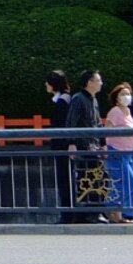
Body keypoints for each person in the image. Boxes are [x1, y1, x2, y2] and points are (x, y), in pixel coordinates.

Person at [66, 68, 108, 223]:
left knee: (98, 178)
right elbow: (71, 122)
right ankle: (88, 213)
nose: (101, 83)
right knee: (86, 179)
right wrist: (72, 143)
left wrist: (103, 143)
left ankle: (96, 211)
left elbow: (98, 123)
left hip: (94, 145)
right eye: (98, 80)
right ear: (89, 82)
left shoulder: (94, 100)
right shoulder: (78, 99)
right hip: (84, 145)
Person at [103, 82, 133, 223]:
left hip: (130, 153)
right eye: (123, 94)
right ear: (117, 98)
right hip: (117, 152)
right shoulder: (115, 111)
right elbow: (107, 130)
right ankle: (112, 208)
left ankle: (125, 213)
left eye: (128, 94)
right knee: (124, 181)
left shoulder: (128, 113)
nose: (126, 97)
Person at [45, 69, 74, 222]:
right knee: (66, 180)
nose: (46, 85)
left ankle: (68, 213)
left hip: (63, 146)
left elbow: (64, 125)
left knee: (65, 180)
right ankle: (69, 212)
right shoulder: (66, 99)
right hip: (65, 145)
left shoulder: (63, 102)